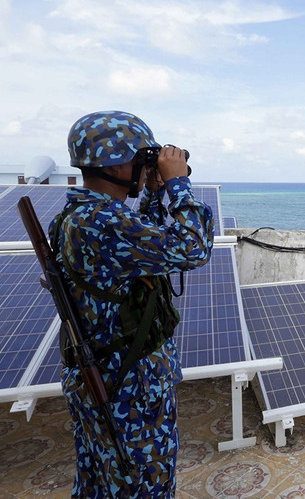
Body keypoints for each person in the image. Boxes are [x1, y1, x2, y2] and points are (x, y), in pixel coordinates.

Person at [50, 110, 214, 497]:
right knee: (144, 486)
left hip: (106, 376)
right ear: (119, 165)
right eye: (141, 160)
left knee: (100, 483)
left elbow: (147, 243)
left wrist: (155, 192)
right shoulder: (102, 223)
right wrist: (178, 184)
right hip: (128, 388)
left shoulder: (85, 216)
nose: (146, 168)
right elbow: (193, 248)